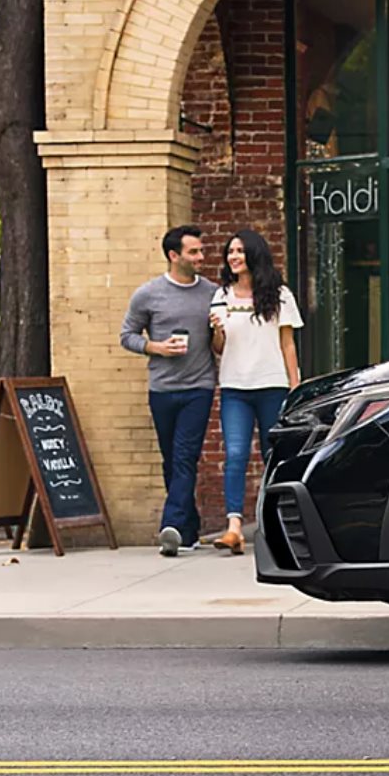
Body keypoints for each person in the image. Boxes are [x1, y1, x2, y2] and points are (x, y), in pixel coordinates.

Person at [122, 225, 217, 555]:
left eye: (201, 251)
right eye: (194, 252)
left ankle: (171, 525)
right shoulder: (148, 294)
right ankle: (189, 529)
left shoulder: (212, 293)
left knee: (185, 457)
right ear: (174, 256)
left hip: (199, 387)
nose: (200, 256)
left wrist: (219, 330)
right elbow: (127, 336)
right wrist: (156, 348)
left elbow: (219, 343)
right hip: (162, 388)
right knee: (171, 460)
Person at [209, 228, 303, 557]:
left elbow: (288, 344)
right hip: (235, 386)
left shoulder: (280, 295)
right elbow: (218, 348)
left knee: (273, 456)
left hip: (273, 385)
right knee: (235, 455)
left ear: (254, 254)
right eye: (230, 251)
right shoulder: (222, 296)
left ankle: (273, 523)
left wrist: (295, 388)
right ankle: (234, 527)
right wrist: (218, 331)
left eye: (239, 251)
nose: (233, 256)